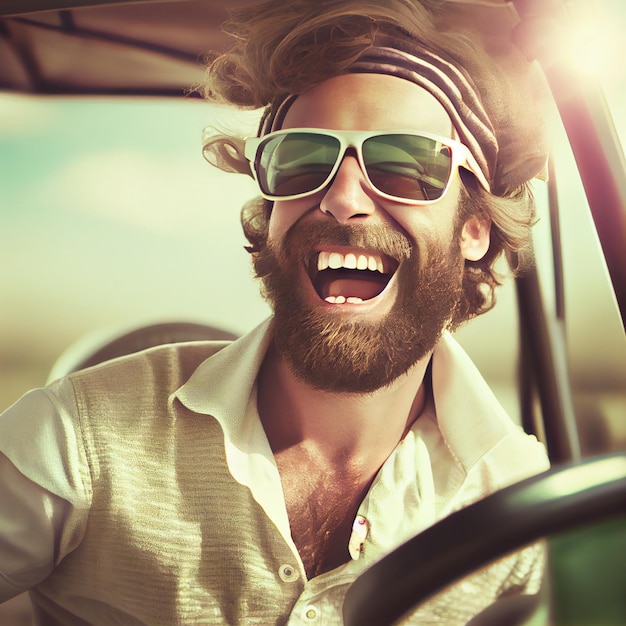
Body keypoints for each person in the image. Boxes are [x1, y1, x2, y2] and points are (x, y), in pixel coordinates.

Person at [0, 0, 554, 624]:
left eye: (407, 164)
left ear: (474, 229)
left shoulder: (522, 504)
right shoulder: (77, 438)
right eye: (303, 161)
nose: (343, 199)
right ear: (269, 218)